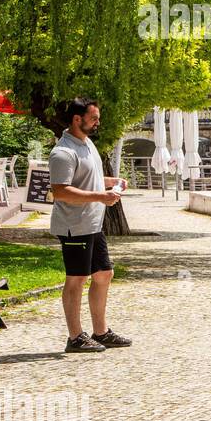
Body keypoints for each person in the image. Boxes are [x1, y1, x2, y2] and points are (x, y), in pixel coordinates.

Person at [48, 98, 132, 353]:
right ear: (77, 119)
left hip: (93, 224)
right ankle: (75, 338)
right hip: (74, 226)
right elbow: (60, 191)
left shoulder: (87, 145)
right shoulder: (63, 153)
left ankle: (101, 331)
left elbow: (88, 178)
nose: (98, 123)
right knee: (77, 279)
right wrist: (100, 197)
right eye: (94, 118)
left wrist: (111, 181)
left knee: (104, 274)